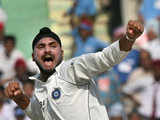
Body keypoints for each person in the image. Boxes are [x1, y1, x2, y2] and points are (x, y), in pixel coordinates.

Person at [4, 20, 143, 120]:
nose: (47, 50)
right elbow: (38, 115)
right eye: (41, 47)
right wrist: (19, 97)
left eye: (53, 46)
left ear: (62, 53)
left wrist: (129, 38)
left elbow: (105, 58)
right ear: (34, 57)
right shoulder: (40, 85)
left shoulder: (72, 69)